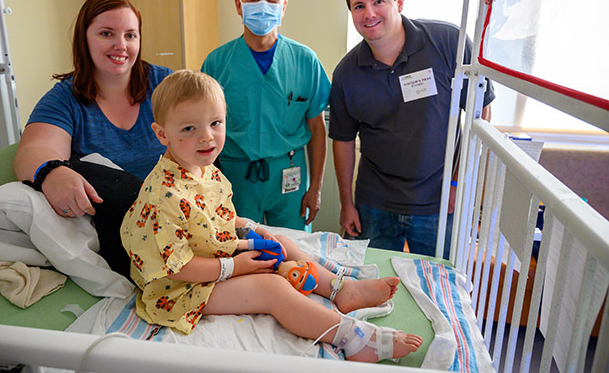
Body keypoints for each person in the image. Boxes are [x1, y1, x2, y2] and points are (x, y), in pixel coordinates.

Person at [120, 69, 422, 362]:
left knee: (278, 240)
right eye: (189, 128)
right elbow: (178, 268)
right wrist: (231, 267)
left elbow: (213, 218)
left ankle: (340, 289)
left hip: (210, 255)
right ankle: (353, 339)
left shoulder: (202, 168)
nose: (207, 137)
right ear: (161, 134)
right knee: (271, 287)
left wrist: (249, 227)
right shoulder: (164, 196)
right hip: (179, 289)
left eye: (215, 123)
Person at [329, 0, 495, 257]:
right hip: (374, 204)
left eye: (378, 1)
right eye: (359, 6)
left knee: (438, 286)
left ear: (399, 2)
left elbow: (481, 116)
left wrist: (459, 181)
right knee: (368, 283)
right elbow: (342, 140)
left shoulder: (448, 43)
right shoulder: (346, 72)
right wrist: (346, 203)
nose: (369, 13)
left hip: (440, 201)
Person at [14, 0, 171, 277]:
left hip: (177, 213)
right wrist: (52, 172)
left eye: (130, 35)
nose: (121, 45)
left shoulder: (164, 84)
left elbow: (206, 121)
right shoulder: (65, 99)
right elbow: (34, 152)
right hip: (120, 230)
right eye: (106, 33)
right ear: (84, 39)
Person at [201, 0, 331, 232]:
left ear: (283, 7)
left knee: (295, 254)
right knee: (242, 252)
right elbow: (204, 131)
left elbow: (317, 128)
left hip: (290, 175)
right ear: (239, 5)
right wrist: (206, 188)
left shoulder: (305, 60)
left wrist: (315, 189)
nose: (263, 3)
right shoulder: (217, 63)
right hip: (234, 175)